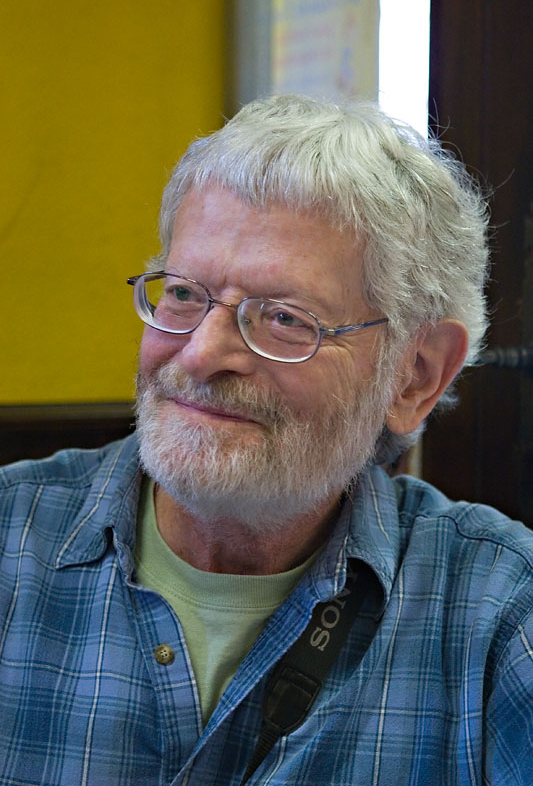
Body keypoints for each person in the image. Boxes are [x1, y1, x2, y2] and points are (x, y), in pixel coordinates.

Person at [0, 94, 531, 786]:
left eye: (283, 317)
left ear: (414, 376)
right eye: (185, 294)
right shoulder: (12, 542)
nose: (197, 356)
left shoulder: (497, 611)